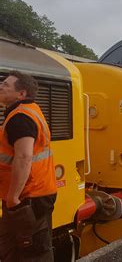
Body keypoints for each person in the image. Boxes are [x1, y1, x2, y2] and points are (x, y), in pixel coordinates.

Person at [0, 71, 57, 261]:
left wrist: (13, 197)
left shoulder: (20, 118)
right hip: (36, 193)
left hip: (26, 197)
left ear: (21, 94)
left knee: (29, 252)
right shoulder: (30, 110)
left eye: (6, 85)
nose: (1, 87)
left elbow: (24, 156)